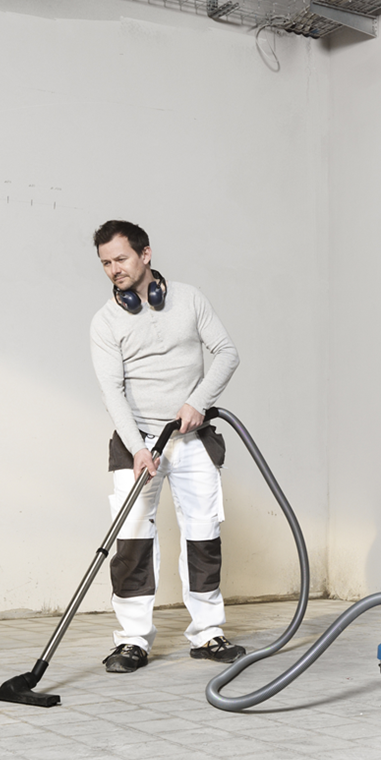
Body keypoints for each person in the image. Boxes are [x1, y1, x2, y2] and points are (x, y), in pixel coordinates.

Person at [88, 219, 247, 673]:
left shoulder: (190, 299)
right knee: (132, 540)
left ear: (146, 254)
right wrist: (137, 447)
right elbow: (111, 391)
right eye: (105, 263)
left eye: (121, 259)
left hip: (191, 439)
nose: (114, 269)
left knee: (203, 535)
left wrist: (198, 402)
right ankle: (132, 641)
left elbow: (227, 353)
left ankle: (208, 634)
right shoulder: (105, 321)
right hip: (137, 442)